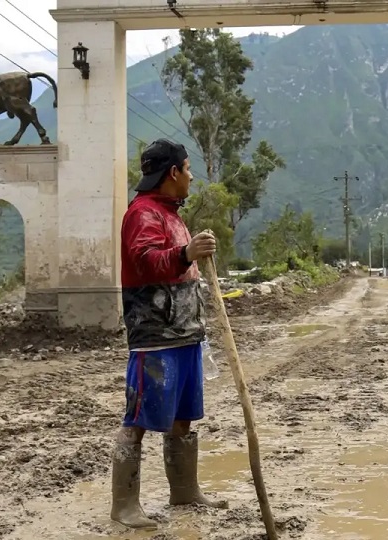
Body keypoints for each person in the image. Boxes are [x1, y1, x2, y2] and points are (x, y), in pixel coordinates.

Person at [110, 138, 227, 529]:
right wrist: (185, 254)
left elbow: (180, 265)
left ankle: (184, 491)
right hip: (155, 338)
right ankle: (125, 506)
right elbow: (144, 263)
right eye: (189, 168)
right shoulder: (142, 214)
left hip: (186, 335)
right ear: (173, 172)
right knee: (138, 419)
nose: (192, 176)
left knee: (183, 417)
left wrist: (191, 254)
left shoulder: (172, 215)